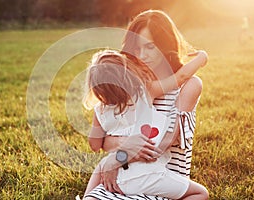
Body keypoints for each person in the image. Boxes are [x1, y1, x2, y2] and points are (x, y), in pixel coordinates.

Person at [84, 10, 207, 200]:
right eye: (137, 48)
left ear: (166, 46)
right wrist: (115, 158)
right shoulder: (130, 89)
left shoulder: (188, 86)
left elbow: (164, 142)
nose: (142, 55)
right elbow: (105, 142)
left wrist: (116, 158)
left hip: (164, 179)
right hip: (126, 172)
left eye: (150, 47)